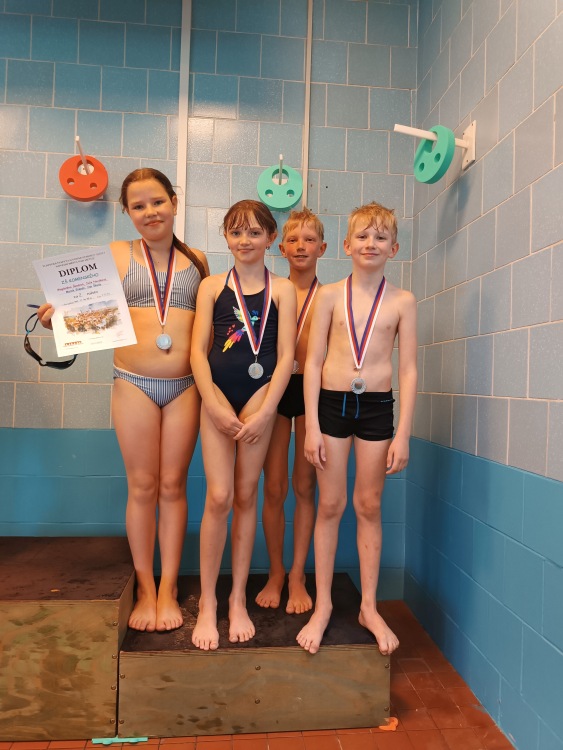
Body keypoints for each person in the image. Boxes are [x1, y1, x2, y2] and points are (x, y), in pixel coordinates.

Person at [37, 168, 209, 633]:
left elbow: (209, 328)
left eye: (158, 201)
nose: (150, 212)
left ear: (174, 202)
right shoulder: (117, 254)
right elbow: (87, 313)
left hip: (185, 387)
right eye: (138, 206)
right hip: (133, 382)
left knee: (173, 486)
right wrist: (59, 317)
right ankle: (146, 588)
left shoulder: (197, 261)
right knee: (143, 486)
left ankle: (169, 588)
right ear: (128, 213)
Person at [297, 201, 417, 656]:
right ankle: (323, 604)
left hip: (377, 408)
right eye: (363, 236)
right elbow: (312, 362)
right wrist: (311, 426)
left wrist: (403, 433)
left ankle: (368, 606)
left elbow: (408, 370)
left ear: (394, 248)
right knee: (330, 503)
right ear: (346, 245)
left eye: (380, 237)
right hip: (331, 404)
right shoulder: (329, 296)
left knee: (369, 504)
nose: (371, 244)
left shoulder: (402, 301)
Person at [190, 199, 296, 650]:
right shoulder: (212, 286)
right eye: (236, 232)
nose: (245, 240)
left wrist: (269, 410)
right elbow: (198, 352)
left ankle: (237, 598)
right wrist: (212, 404)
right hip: (216, 395)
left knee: (247, 495)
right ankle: (208, 602)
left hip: (260, 397)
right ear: (226, 237)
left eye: (254, 232)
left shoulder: (283, 290)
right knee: (219, 496)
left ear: (271, 238)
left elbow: (287, 356)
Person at [256, 208, 327, 614]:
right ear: (280, 248)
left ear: (323, 248)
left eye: (309, 240)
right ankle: (276, 571)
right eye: (293, 240)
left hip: (313, 392)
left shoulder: (330, 297)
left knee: (304, 486)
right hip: (275, 388)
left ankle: (298, 574)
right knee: (274, 487)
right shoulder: (270, 293)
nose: (301, 246)